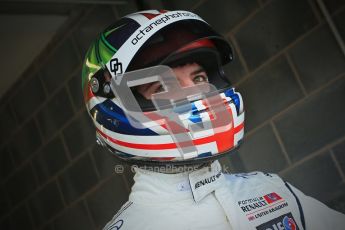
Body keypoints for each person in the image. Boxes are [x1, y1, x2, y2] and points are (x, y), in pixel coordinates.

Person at [81, 9, 345, 230]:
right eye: (162, 87)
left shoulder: (269, 190)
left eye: (199, 78)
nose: (196, 93)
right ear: (113, 110)